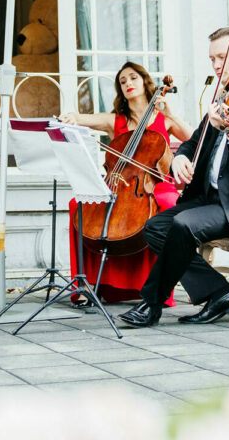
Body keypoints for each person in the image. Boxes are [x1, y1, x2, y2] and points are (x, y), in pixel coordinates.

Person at [118, 27, 229, 328]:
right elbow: (193, 141)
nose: (216, 65)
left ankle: (151, 305)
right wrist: (181, 158)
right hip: (212, 198)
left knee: (182, 225)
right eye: (212, 59)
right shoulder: (226, 95)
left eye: (221, 58)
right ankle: (221, 293)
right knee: (155, 227)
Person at [60, 61, 194, 307]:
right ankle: (86, 285)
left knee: (168, 204)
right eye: (123, 81)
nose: (128, 84)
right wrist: (72, 117)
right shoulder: (115, 120)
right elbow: (84, 119)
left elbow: (195, 138)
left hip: (156, 185)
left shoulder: (164, 119)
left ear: (144, 82)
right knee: (77, 204)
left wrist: (171, 114)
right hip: (119, 185)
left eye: (133, 78)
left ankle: (159, 286)